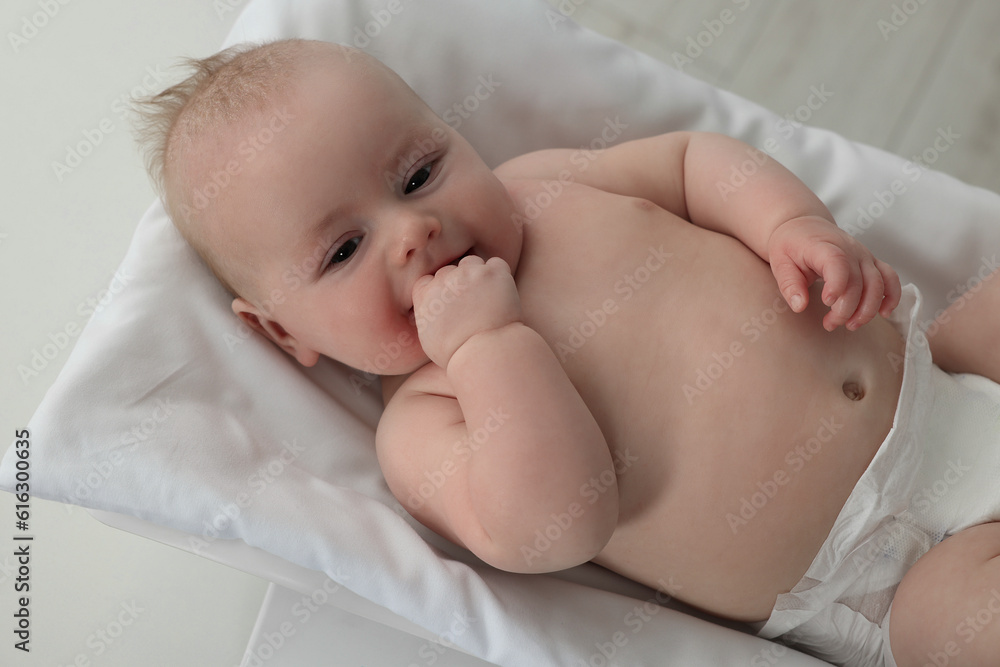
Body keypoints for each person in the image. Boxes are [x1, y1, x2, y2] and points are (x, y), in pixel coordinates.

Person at [134, 38, 1000, 667]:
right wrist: (487, 343)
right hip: (880, 571)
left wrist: (790, 225)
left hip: (946, 375)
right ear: (285, 332)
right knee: (962, 630)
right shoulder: (429, 419)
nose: (413, 231)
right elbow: (555, 524)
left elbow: (696, 162)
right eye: (342, 251)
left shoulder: (548, 186)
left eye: (418, 173)